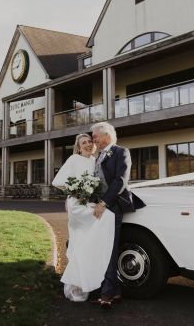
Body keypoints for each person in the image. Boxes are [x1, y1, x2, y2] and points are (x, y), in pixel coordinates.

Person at [52, 133, 114, 302]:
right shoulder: (74, 159)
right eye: (83, 143)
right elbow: (57, 181)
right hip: (78, 205)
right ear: (79, 147)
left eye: (89, 142)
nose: (87, 144)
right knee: (101, 223)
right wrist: (75, 193)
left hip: (89, 202)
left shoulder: (96, 161)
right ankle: (79, 283)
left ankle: (86, 281)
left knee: (85, 242)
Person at [91, 121, 131, 309]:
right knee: (103, 249)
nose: (93, 140)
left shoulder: (121, 152)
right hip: (98, 207)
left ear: (106, 135)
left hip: (112, 207)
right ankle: (115, 291)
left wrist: (104, 203)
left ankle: (106, 293)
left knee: (110, 250)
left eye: (95, 136)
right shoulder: (97, 156)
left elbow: (120, 181)